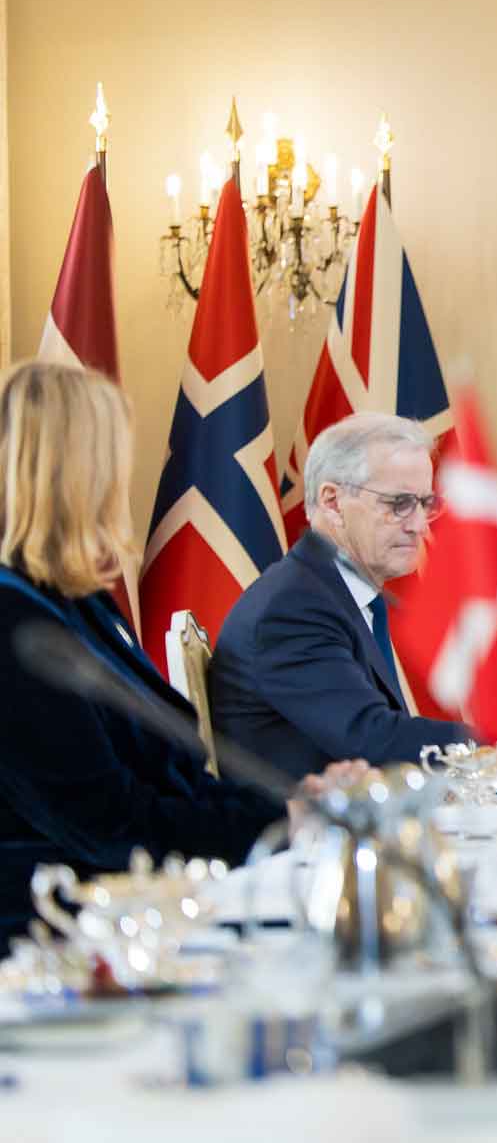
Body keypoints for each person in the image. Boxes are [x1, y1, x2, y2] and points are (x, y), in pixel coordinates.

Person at [0, 362, 342, 941]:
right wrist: (277, 819)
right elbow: (107, 822)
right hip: (56, 939)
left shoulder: (75, 601)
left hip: (134, 911)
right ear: (79, 474)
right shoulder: (15, 625)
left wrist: (286, 803)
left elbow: (167, 775)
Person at [210, 413, 472, 778]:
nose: (418, 526)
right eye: (399, 504)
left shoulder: (332, 592)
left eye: (425, 504)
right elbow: (373, 739)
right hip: (302, 830)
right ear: (332, 502)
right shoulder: (292, 609)